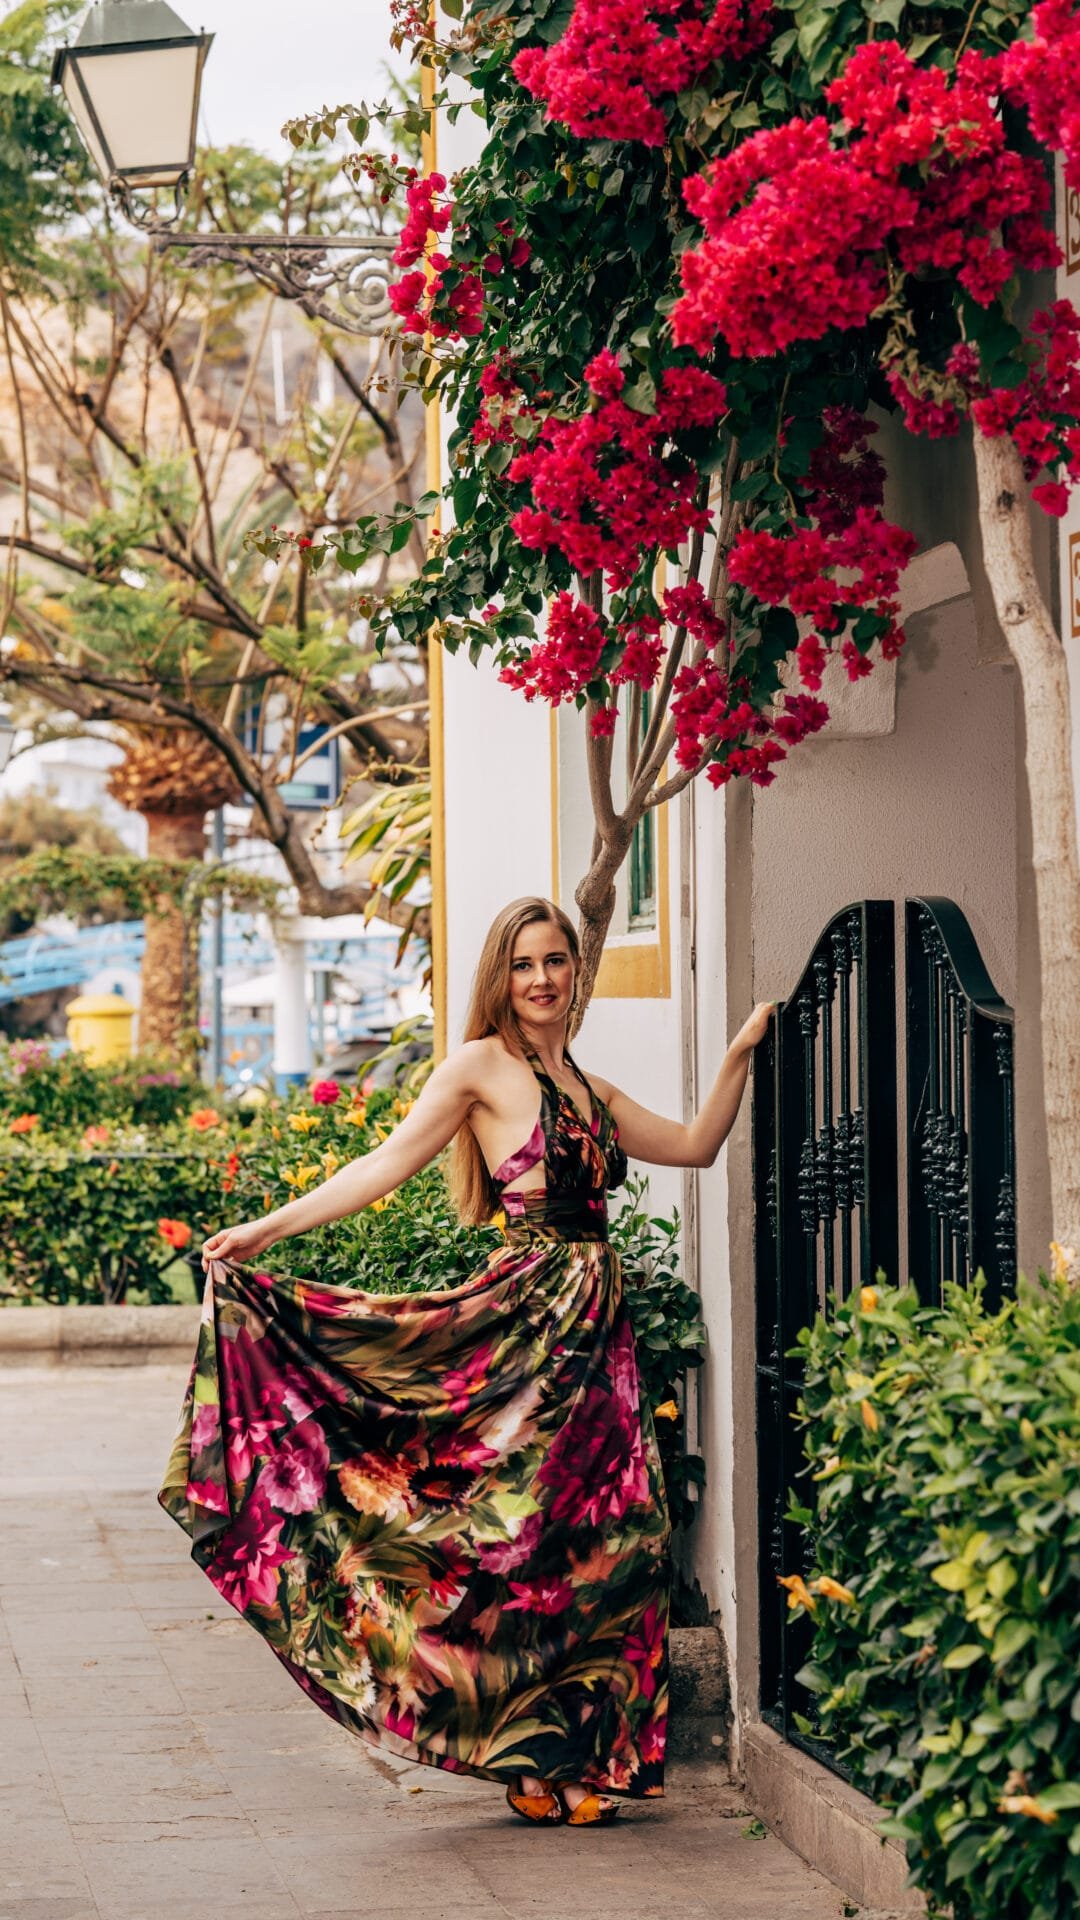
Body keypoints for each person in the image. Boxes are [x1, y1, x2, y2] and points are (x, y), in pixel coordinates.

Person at [159, 896, 771, 1829]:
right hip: (522, 1330)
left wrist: (741, 1051)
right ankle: (530, 1758)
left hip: (595, 1345)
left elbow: (694, 1145)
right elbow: (386, 1163)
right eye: (524, 963)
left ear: (576, 972)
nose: (542, 979)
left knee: (600, 1548)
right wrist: (266, 1229)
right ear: (502, 975)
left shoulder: (590, 1090)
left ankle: (556, 1754)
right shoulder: (481, 1067)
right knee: (503, 1542)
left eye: (557, 961)